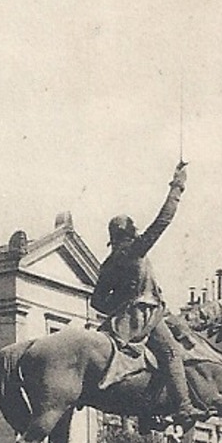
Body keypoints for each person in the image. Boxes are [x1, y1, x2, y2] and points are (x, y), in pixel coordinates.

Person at [90, 160, 202, 423]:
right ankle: (184, 406)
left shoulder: (108, 263)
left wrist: (120, 309)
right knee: (172, 353)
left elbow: (97, 301)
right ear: (130, 234)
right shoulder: (133, 251)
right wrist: (178, 185)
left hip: (128, 320)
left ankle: (148, 412)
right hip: (145, 316)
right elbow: (163, 220)